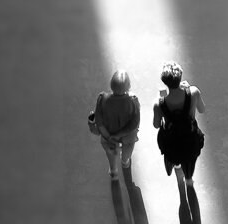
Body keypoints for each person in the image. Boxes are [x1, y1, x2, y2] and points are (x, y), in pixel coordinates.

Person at [153, 63, 206, 200]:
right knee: (190, 160)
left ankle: (176, 165)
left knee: (174, 155)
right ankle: (189, 180)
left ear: (165, 82)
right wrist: (188, 89)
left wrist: (162, 99)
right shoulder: (193, 92)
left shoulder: (159, 103)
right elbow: (202, 109)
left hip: (172, 141)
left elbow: (156, 124)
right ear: (180, 77)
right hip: (190, 138)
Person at [88, 69, 141, 181]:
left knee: (110, 152)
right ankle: (125, 162)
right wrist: (119, 135)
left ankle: (113, 171)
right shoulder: (133, 101)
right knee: (127, 153)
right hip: (127, 137)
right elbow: (134, 124)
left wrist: (109, 137)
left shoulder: (102, 99)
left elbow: (99, 121)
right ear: (128, 86)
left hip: (108, 134)